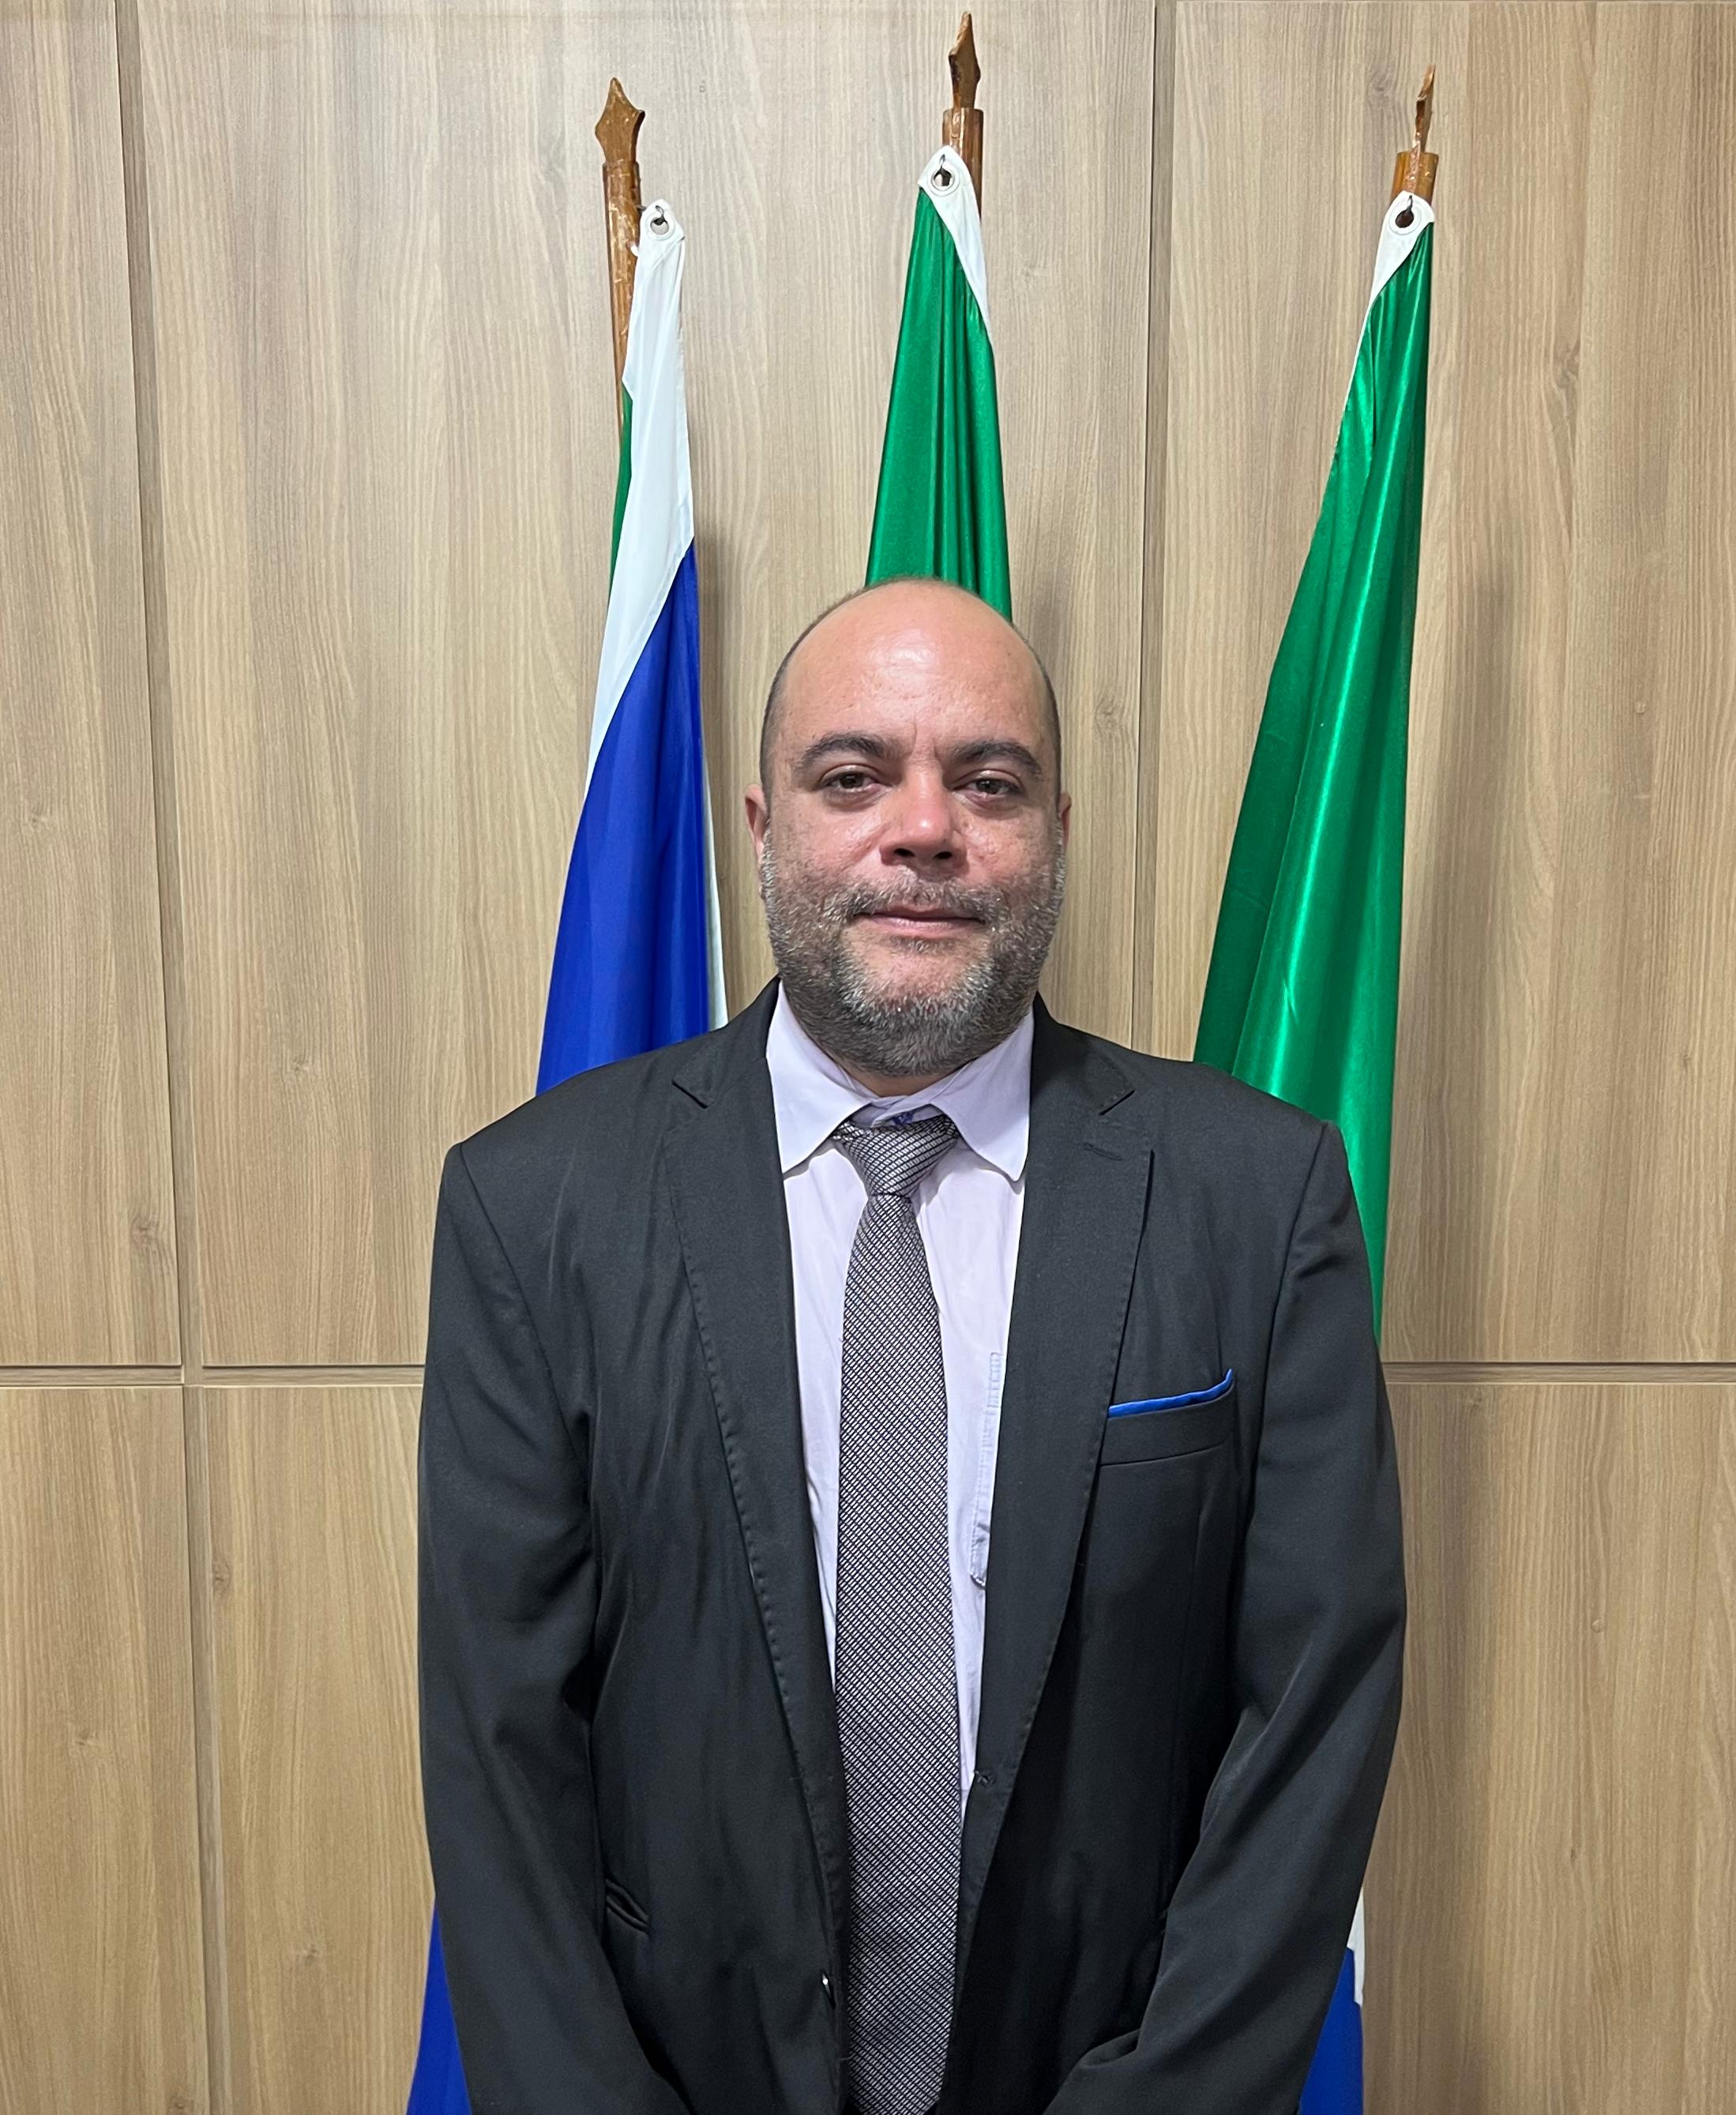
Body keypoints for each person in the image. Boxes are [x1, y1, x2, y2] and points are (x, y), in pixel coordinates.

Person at [416, 577, 1406, 2115]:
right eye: (853, 775)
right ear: (761, 828)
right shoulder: (532, 1208)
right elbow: (500, 1759)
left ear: (1056, 831)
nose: (925, 828)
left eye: (988, 782)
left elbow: (1314, 1716)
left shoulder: (1256, 1198)